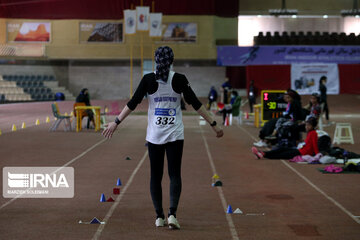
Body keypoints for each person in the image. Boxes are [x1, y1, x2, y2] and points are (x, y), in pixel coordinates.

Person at [102, 46, 224, 229]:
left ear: (155, 60)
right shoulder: (180, 79)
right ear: (172, 61)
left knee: (155, 176)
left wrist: (116, 122)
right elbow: (196, 104)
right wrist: (213, 124)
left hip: (155, 136)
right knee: (174, 175)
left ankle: (159, 216)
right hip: (175, 135)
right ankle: (172, 214)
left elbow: (133, 103)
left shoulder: (149, 79)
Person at [252, 117, 319, 160]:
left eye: (309, 125)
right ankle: (262, 153)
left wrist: (317, 155)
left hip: (301, 153)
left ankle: (263, 154)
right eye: (306, 125)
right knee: (282, 149)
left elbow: (314, 145)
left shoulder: (313, 133)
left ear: (313, 126)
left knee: (282, 154)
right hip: (299, 150)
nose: (307, 127)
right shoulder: (310, 132)